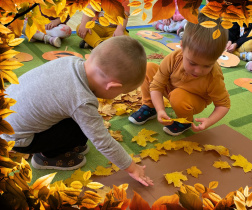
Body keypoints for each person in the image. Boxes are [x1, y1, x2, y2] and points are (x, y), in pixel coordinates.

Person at [1, 36, 153, 186]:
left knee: (82, 122)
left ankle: (58, 144)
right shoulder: (82, 100)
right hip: (19, 140)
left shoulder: (71, 61)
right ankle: (47, 156)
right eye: (119, 93)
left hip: (6, 115)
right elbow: (103, 142)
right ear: (112, 86)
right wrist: (132, 168)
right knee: (82, 129)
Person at [128, 13, 231, 136]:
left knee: (178, 96)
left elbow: (223, 105)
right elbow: (156, 85)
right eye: (192, 63)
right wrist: (160, 110)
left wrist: (209, 121)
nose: (198, 71)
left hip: (192, 100)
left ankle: (185, 122)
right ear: (182, 46)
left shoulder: (214, 77)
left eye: (207, 66)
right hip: (171, 89)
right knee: (148, 68)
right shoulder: (174, 58)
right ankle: (150, 107)